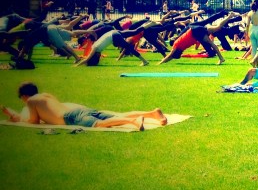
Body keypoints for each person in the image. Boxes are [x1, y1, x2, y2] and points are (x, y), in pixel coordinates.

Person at [2, 82, 167, 130]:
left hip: (70, 117)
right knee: (115, 116)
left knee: (100, 124)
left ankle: (133, 121)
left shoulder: (31, 101)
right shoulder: (45, 95)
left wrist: (15, 118)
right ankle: (152, 113)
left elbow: (33, 122)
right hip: (78, 110)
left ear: (24, 96)